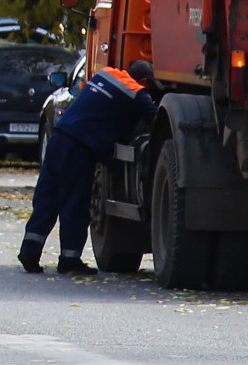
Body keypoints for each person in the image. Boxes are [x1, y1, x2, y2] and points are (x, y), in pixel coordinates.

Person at [22, 57, 159, 277]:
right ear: (144, 80)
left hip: (60, 137)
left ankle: (29, 250)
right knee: (74, 203)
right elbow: (156, 120)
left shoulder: (105, 74)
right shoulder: (136, 93)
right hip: (80, 148)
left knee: (47, 196)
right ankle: (69, 260)